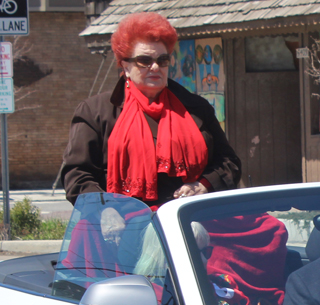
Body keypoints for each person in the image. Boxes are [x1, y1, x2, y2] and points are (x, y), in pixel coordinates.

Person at [62, 12, 241, 210]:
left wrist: (203, 185)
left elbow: (229, 163)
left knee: (269, 233)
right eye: (144, 60)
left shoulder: (196, 107)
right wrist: (104, 212)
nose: (155, 67)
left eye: (162, 60)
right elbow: (76, 175)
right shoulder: (94, 112)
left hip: (191, 215)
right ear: (125, 66)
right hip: (122, 221)